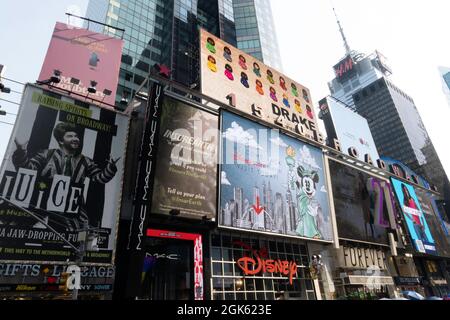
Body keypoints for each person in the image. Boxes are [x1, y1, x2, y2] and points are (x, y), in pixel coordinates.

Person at [12, 122, 120, 231]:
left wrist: (110, 167)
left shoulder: (85, 161)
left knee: (76, 240)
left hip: (73, 210)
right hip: (45, 206)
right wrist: (20, 153)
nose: (75, 138)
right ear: (61, 141)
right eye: (70, 136)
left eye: (76, 136)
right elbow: (29, 170)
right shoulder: (46, 154)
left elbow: (100, 178)